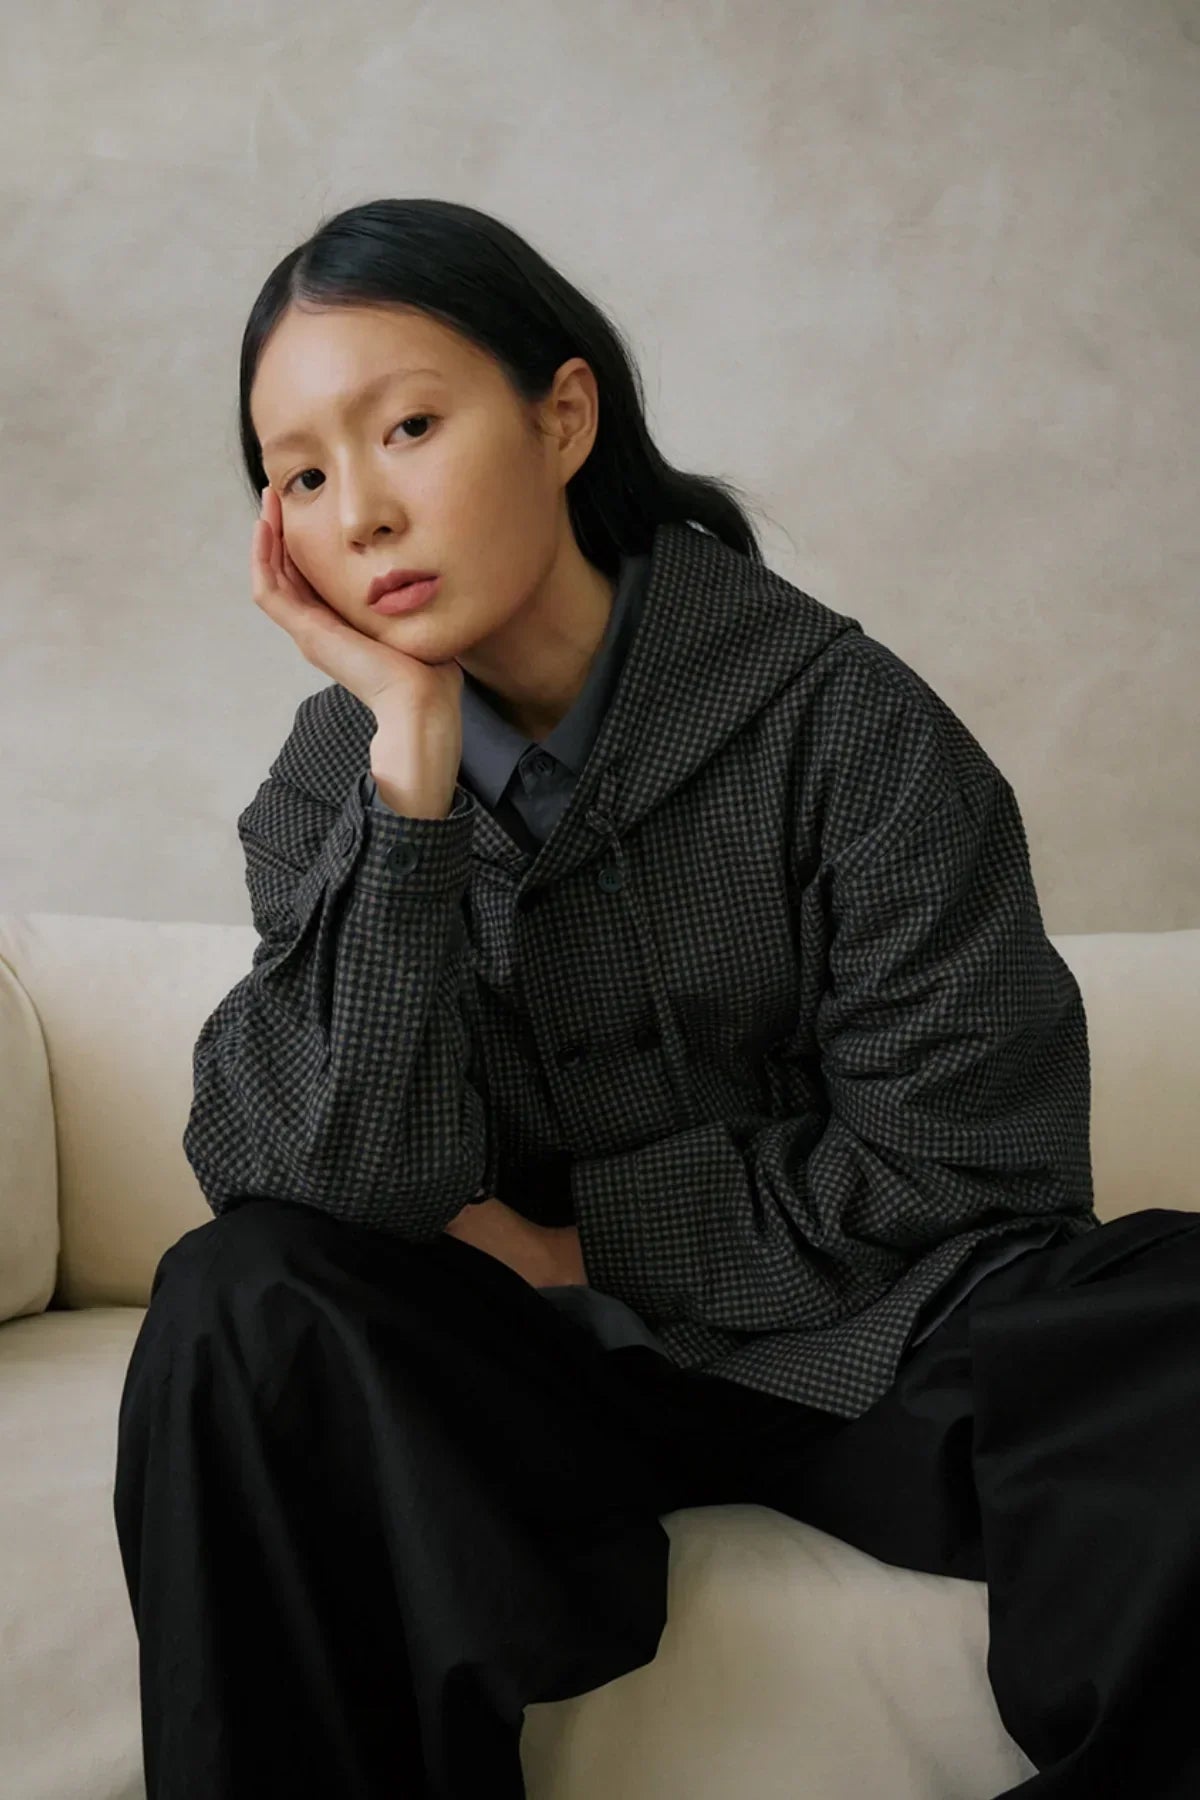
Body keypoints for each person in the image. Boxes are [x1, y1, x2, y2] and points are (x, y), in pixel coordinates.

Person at [113, 197, 1200, 1800]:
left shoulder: (844, 720)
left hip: (870, 1349)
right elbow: (316, 1185)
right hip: (536, 1396)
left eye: (409, 426)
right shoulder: (330, 787)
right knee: (240, 1299)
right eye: (303, 475)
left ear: (563, 415)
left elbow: (967, 1158)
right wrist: (407, 776)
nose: (365, 511)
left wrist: (578, 1240)